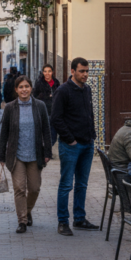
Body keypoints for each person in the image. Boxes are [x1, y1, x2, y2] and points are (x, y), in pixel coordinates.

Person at [50, 57, 99, 236]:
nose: (85, 74)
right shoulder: (63, 91)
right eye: (82, 71)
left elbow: (89, 114)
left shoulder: (87, 89)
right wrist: (70, 139)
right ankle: (63, 222)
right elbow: (56, 118)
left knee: (82, 184)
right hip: (71, 146)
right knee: (66, 185)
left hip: (87, 144)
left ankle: (79, 218)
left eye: (87, 71)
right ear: (72, 71)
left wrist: (92, 136)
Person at [0, 76, 53, 233]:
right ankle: (22, 220)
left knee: (34, 188)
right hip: (16, 155)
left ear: (31, 88)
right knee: (20, 189)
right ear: (16, 90)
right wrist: (1, 155)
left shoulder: (40, 106)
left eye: (27, 86)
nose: (24, 90)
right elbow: (4, 133)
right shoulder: (10, 107)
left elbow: (46, 130)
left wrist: (48, 152)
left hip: (35, 154)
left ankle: (27, 211)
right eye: (21, 87)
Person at [32, 64, 61, 147]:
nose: (47, 73)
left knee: (54, 134)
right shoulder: (39, 83)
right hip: (43, 112)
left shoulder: (56, 82)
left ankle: (48, 147)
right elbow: (34, 97)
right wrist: (43, 96)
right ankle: (45, 149)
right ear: (43, 72)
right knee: (45, 133)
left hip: (54, 112)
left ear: (52, 72)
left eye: (49, 71)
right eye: (45, 71)